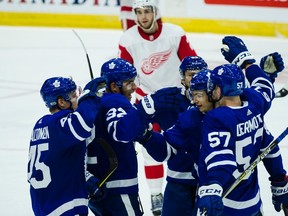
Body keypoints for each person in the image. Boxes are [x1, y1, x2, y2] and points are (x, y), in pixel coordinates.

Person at [118, 0, 197, 214]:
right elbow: (125, 74)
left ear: (156, 12)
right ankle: (155, 194)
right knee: (149, 149)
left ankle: (188, 185)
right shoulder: (128, 39)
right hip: (148, 102)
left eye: (147, 11)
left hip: (176, 100)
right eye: (139, 12)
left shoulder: (174, 34)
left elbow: (192, 63)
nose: (143, 17)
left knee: (183, 145)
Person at [196, 36, 288, 216]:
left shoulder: (216, 117)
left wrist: (214, 186)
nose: (210, 90)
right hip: (253, 203)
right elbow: (264, 85)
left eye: (213, 87)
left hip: (226, 205)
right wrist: (247, 62)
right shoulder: (255, 104)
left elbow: (220, 158)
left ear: (220, 90)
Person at [85, 58, 181, 216]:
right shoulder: (116, 101)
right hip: (118, 188)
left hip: (99, 188)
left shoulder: (95, 104)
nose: (135, 87)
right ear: (114, 87)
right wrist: (146, 107)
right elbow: (121, 132)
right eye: (129, 82)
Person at [27, 76, 106, 216]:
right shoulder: (62, 124)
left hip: (45, 203)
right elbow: (83, 123)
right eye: (73, 95)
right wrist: (90, 95)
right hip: (65, 204)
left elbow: (55, 160)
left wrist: (85, 179)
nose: (77, 98)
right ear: (62, 102)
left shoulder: (41, 125)